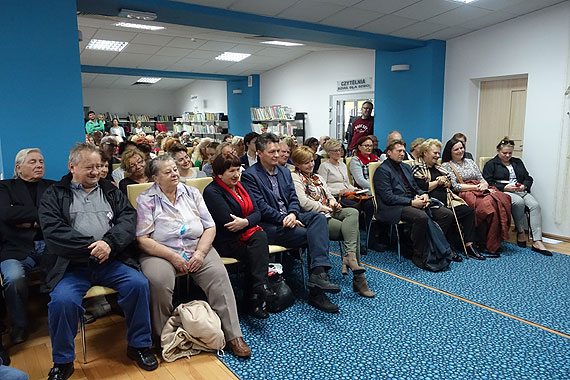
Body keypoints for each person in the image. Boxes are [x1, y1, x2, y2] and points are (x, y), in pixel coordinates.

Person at [38, 143, 157, 380]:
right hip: (71, 266)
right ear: (72, 167)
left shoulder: (110, 190)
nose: (96, 172)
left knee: (138, 285)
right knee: (62, 302)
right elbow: (53, 232)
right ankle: (63, 361)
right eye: (89, 167)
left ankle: (139, 346)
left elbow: (127, 219)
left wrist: (109, 244)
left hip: (111, 261)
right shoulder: (54, 194)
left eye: (99, 166)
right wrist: (93, 248)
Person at [135, 155, 251, 357]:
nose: (174, 173)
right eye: (167, 171)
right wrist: (173, 257)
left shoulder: (191, 192)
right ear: (155, 178)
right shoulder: (146, 200)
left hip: (196, 246)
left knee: (219, 277)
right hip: (161, 252)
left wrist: (200, 252)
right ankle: (161, 336)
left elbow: (210, 226)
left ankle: (234, 336)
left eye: (175, 169)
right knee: (158, 281)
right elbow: (143, 239)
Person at [241, 133, 341, 314]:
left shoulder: (285, 172)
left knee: (318, 218)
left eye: (278, 151)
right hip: (269, 225)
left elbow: (293, 199)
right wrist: (284, 219)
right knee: (310, 235)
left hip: (291, 217)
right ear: (260, 153)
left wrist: (293, 214)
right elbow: (260, 207)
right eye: (272, 152)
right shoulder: (250, 176)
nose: (277, 155)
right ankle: (317, 292)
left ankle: (318, 274)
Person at [291, 146, 374, 297]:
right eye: (306, 163)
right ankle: (358, 277)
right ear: (296, 164)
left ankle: (350, 257)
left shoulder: (317, 177)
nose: (310, 165)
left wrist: (333, 203)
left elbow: (329, 195)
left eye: (311, 161)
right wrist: (324, 207)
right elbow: (303, 202)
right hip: (316, 217)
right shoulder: (295, 177)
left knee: (353, 212)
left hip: (329, 210)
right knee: (351, 231)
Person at [203, 154, 277, 318]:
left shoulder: (242, 187)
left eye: (238, 170)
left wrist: (245, 222)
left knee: (259, 238)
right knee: (257, 251)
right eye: (231, 171)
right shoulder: (212, 191)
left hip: (246, 234)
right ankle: (256, 296)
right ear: (219, 174)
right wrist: (248, 221)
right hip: (225, 241)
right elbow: (227, 223)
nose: (236, 174)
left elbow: (258, 213)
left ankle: (257, 290)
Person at [0, 149, 54, 345]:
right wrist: (40, 218)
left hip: (49, 245)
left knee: (64, 267)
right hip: (15, 248)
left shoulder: (52, 186)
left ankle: (60, 314)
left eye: (41, 161)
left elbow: (58, 214)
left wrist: (27, 219)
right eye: (32, 162)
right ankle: (19, 325)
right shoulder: (5, 187)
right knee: (14, 278)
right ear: (18, 167)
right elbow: (5, 214)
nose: (39, 165)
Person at [373, 140, 455, 270]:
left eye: (403, 151)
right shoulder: (382, 171)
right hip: (394, 207)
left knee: (446, 214)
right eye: (398, 151)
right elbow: (388, 198)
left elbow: (416, 187)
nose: (402, 153)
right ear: (389, 152)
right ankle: (418, 254)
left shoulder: (405, 167)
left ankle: (431, 248)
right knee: (421, 217)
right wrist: (412, 202)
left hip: (413, 201)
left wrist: (424, 195)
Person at [412, 139, 485, 260]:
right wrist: (437, 182)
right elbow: (422, 188)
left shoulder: (439, 167)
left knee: (468, 211)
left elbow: (450, 184)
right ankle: (446, 247)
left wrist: (446, 182)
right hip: (431, 203)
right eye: (434, 153)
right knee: (448, 215)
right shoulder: (418, 167)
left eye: (438, 153)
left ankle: (469, 244)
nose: (437, 156)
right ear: (425, 153)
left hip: (449, 200)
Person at [441, 138, 511, 255]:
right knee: (486, 208)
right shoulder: (446, 165)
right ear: (450, 151)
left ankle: (491, 241)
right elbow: (455, 186)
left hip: (480, 189)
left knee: (501, 200)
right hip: (464, 193)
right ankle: (481, 241)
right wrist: (476, 187)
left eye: (461, 148)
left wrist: (484, 185)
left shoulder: (470, 162)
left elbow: (481, 178)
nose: (460, 151)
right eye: (456, 149)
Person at [483, 137, 551, 256]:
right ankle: (520, 232)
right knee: (518, 202)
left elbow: (528, 178)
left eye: (510, 153)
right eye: (504, 153)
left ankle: (537, 241)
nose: (507, 155)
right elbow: (487, 182)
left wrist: (524, 186)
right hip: (504, 191)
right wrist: (504, 188)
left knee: (535, 206)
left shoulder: (517, 162)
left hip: (520, 190)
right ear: (498, 151)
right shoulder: (491, 164)